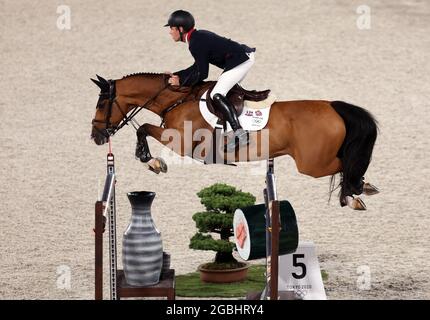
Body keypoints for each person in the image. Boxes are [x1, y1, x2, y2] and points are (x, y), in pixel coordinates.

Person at [164, 10, 256, 151]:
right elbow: (197, 67)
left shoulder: (196, 43)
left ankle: (240, 134)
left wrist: (180, 82)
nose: (170, 32)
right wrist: (178, 75)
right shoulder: (196, 38)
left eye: (171, 28)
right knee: (224, 91)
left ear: (180, 29)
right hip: (240, 58)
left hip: (241, 60)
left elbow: (202, 73)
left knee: (216, 94)